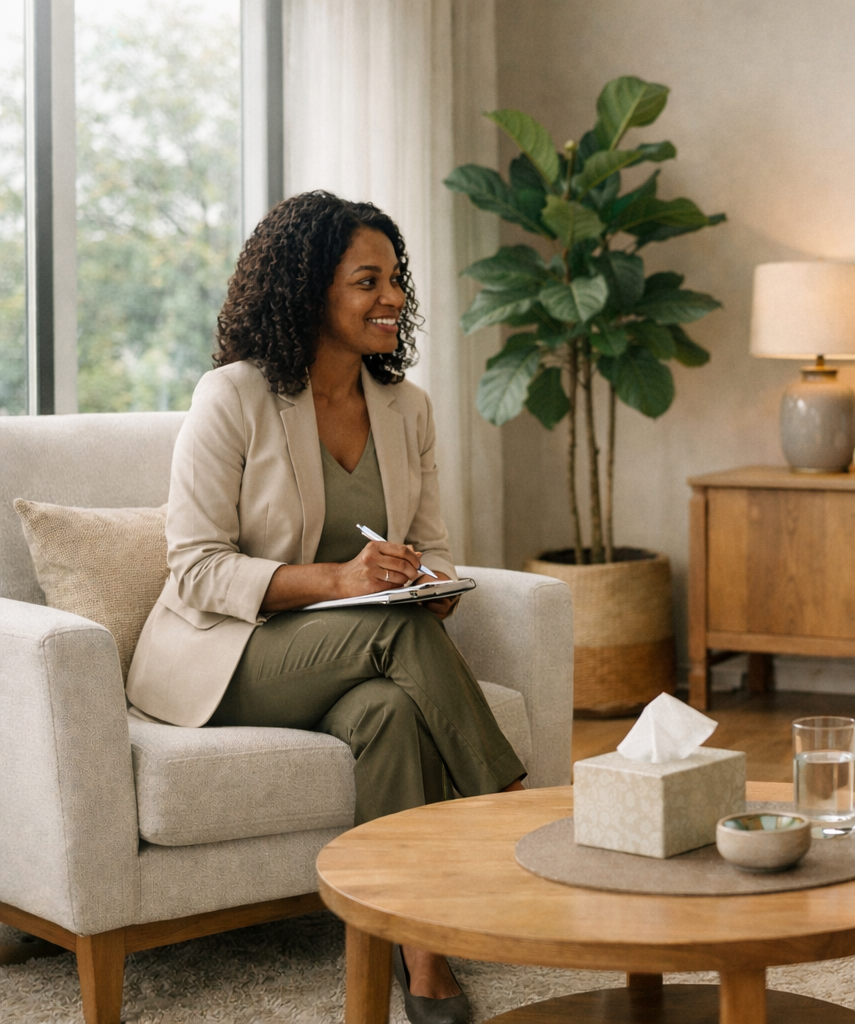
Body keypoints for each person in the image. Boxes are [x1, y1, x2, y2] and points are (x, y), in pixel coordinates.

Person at [127, 190, 523, 1024]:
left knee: (389, 714)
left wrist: (425, 583)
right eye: (366, 281)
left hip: (360, 656)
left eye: (396, 280)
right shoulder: (232, 397)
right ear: (310, 293)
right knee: (393, 631)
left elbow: (438, 549)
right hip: (229, 659)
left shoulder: (405, 408)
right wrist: (342, 581)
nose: (393, 299)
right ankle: (514, 818)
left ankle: (420, 960)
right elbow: (195, 568)